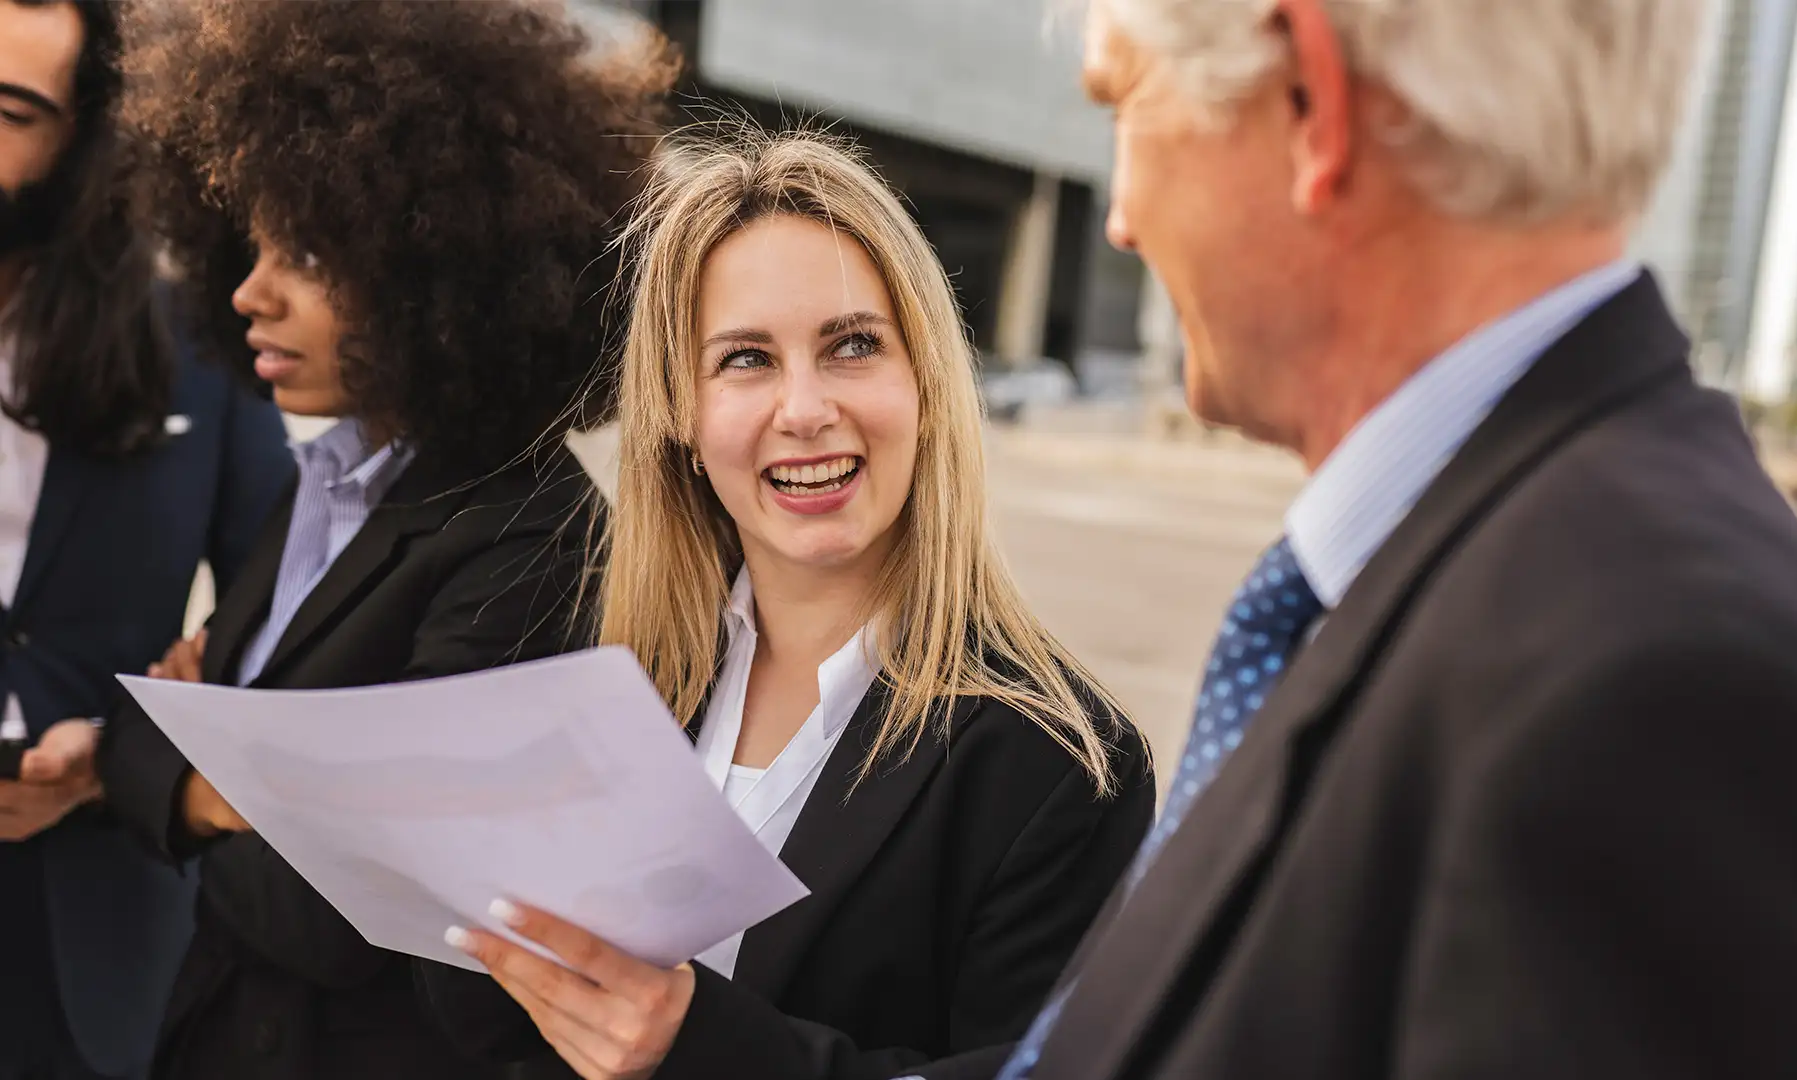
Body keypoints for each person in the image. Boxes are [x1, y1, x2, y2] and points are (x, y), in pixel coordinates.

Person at [981, 0, 1797, 1078]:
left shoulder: (1665, 692)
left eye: (1124, 103)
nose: (1122, 218)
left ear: (1311, 105)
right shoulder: (1473, 580)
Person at [16, 2, 672, 1077]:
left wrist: (191, 764)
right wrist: (237, 782)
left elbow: (349, 913)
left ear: (441, 266)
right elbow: (245, 797)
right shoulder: (329, 479)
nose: (247, 293)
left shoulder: (531, 540)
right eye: (254, 240)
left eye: (309, 254)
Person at [418, 126, 1155, 1080]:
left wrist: (696, 1044)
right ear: (681, 412)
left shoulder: (1059, 767)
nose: (803, 410)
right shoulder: (607, 688)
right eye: (747, 360)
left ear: (926, 383)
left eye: (852, 346)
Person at [0, 1, 292, 1076]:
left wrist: (114, 759)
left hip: (99, 935)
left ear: (86, 146)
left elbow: (291, 611)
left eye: (10, 111)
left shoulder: (199, 351)